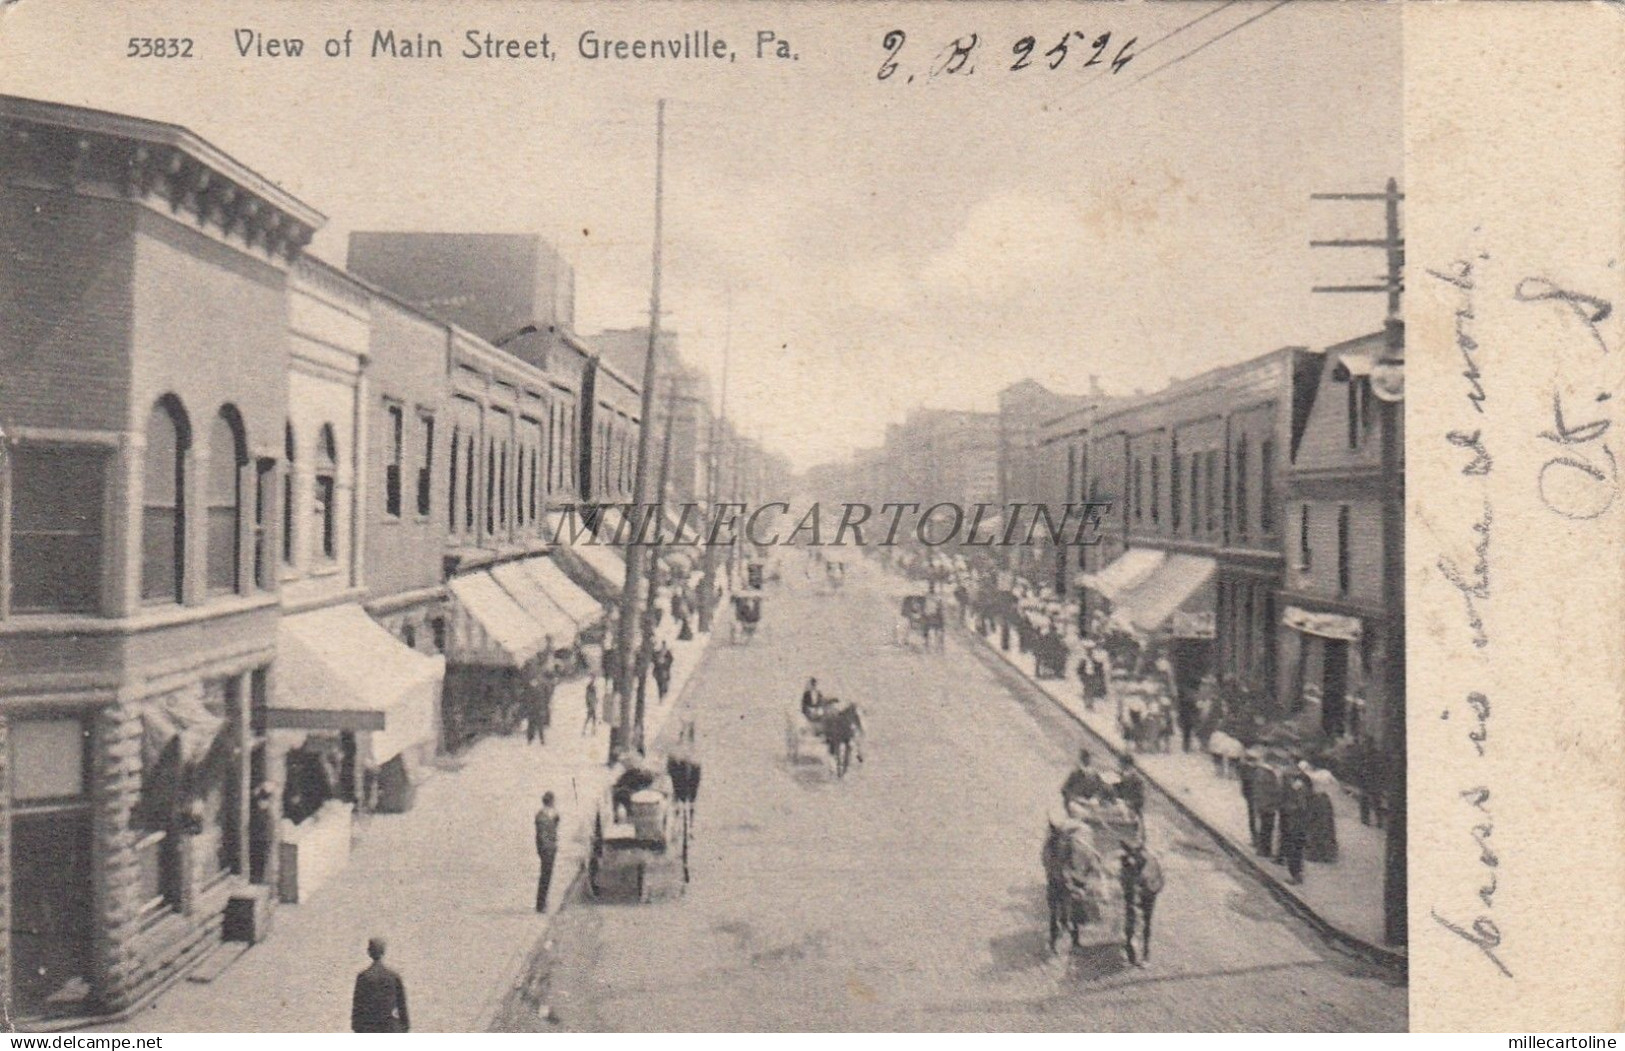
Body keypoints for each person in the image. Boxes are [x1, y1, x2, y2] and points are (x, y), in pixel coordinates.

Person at [1119, 839, 1164, 966]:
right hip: (1133, 892)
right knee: (1130, 921)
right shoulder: (1127, 862)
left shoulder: (1152, 862)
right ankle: (1130, 953)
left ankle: (1145, 954)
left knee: (1146, 922)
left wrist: (1148, 890)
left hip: (1148, 894)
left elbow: (1159, 882)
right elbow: (1123, 878)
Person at [351, 937, 409, 1032]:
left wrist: (357, 1028)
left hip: (368, 1027)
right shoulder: (393, 976)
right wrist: (403, 1028)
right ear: (383, 952)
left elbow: (357, 1007)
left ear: (369, 952)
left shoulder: (363, 977)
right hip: (390, 1027)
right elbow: (402, 1006)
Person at [1279, 772, 1312, 883]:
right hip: (1300, 825)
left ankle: (1296, 876)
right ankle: (1297, 875)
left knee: (1293, 850)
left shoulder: (1299, 791)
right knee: (1297, 850)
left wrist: (1287, 808)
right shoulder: (1306, 790)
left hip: (1295, 824)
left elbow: (1300, 807)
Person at [534, 791, 561, 912]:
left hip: (549, 848)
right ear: (550, 802)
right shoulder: (542, 817)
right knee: (545, 876)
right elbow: (542, 836)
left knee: (547, 876)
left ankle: (543, 902)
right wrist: (546, 849)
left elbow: (556, 823)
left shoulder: (547, 815)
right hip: (547, 850)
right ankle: (541, 904)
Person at [1252, 757, 1282, 859]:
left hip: (1264, 804)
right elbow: (1272, 789)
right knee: (1267, 827)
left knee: (1265, 827)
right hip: (1268, 804)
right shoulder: (1267, 773)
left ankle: (1263, 849)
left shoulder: (1261, 772)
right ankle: (1264, 850)